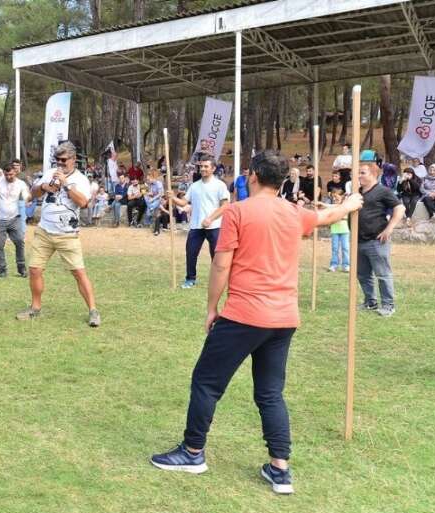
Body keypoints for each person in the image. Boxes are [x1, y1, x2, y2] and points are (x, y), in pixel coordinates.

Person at [149, 150, 364, 495]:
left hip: (245, 315)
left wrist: (211, 307)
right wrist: (351, 203)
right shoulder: (295, 212)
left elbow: (221, 265)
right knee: (270, 392)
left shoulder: (238, 211)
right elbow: (328, 217)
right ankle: (280, 469)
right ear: (281, 182)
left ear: (252, 177)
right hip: (283, 319)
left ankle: (192, 453)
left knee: (206, 381)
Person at [16, 142, 100, 327]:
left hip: (67, 234)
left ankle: (93, 311)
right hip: (44, 231)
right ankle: (35, 307)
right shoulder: (49, 173)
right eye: (57, 160)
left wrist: (66, 185)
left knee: (78, 272)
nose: (60, 164)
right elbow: (33, 193)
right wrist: (45, 186)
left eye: (63, 160)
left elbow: (83, 202)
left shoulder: (80, 179)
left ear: (73, 159)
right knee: (35, 269)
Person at [169, 155, 230, 289]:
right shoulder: (194, 186)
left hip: (214, 226)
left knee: (217, 256)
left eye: (206, 166)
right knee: (191, 252)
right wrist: (172, 197)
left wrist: (210, 219)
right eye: (201, 166)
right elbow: (184, 202)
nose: (202, 169)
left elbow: (225, 206)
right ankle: (190, 279)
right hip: (196, 226)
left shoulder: (219, 185)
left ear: (213, 168)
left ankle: (219, 280)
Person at [356, 162, 405, 317]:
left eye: (362, 173)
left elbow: (400, 208)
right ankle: (370, 302)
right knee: (363, 274)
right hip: (359, 241)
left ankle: (388, 305)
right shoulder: (357, 192)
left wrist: (389, 229)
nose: (359, 176)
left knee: (382, 274)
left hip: (376, 241)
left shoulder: (382, 191)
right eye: (358, 172)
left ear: (373, 174)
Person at [0, 164, 30, 278]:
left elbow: (26, 195)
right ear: (4, 172)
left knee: (19, 242)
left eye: (11, 174)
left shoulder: (20, 184)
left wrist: (28, 199)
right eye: (6, 174)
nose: (8, 177)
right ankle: (2, 270)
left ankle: (21, 269)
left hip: (15, 219)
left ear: (15, 173)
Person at [322, 190, 350, 272]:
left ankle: (346, 265)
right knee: (335, 248)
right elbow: (327, 205)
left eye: (337, 197)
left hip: (345, 230)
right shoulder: (333, 206)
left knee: (345, 248)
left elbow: (346, 217)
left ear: (342, 197)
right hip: (335, 230)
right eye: (333, 197)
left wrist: (338, 218)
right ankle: (334, 265)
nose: (335, 199)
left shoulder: (345, 206)